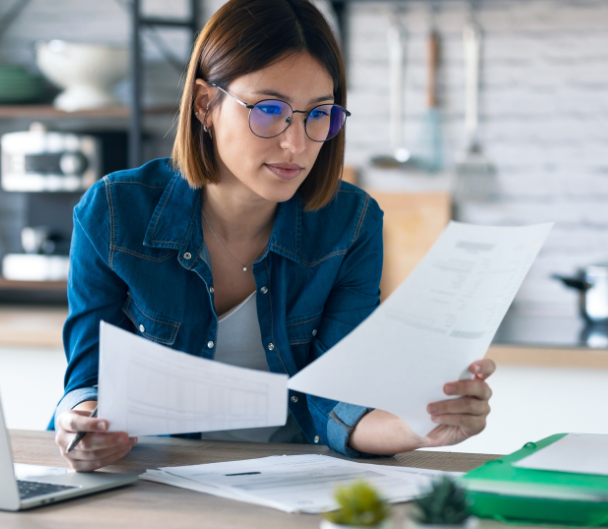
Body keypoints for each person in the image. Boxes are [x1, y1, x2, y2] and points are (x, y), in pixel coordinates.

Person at [52, 0, 495, 472]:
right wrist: (82, 426)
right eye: (268, 109)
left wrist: (420, 425)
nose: (297, 144)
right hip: (158, 479)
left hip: (293, 481)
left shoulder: (351, 223)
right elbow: (87, 381)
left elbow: (339, 404)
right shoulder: (116, 212)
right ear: (205, 104)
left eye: (318, 114)